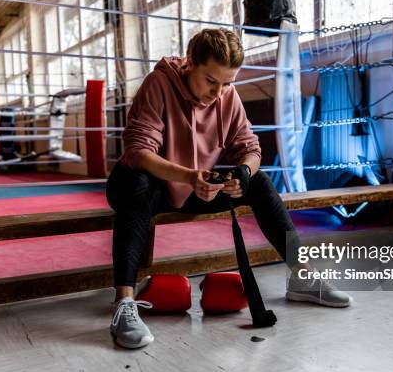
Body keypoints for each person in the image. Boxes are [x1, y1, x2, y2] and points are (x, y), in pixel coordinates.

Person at [106, 28, 352, 349]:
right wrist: (189, 176)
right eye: (211, 80)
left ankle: (302, 277)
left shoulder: (226, 95)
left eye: (227, 83)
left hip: (193, 183)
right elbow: (139, 152)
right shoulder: (159, 84)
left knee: (260, 181)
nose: (218, 92)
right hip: (146, 184)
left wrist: (243, 174)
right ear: (190, 63)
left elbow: (251, 149)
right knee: (137, 183)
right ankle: (124, 303)